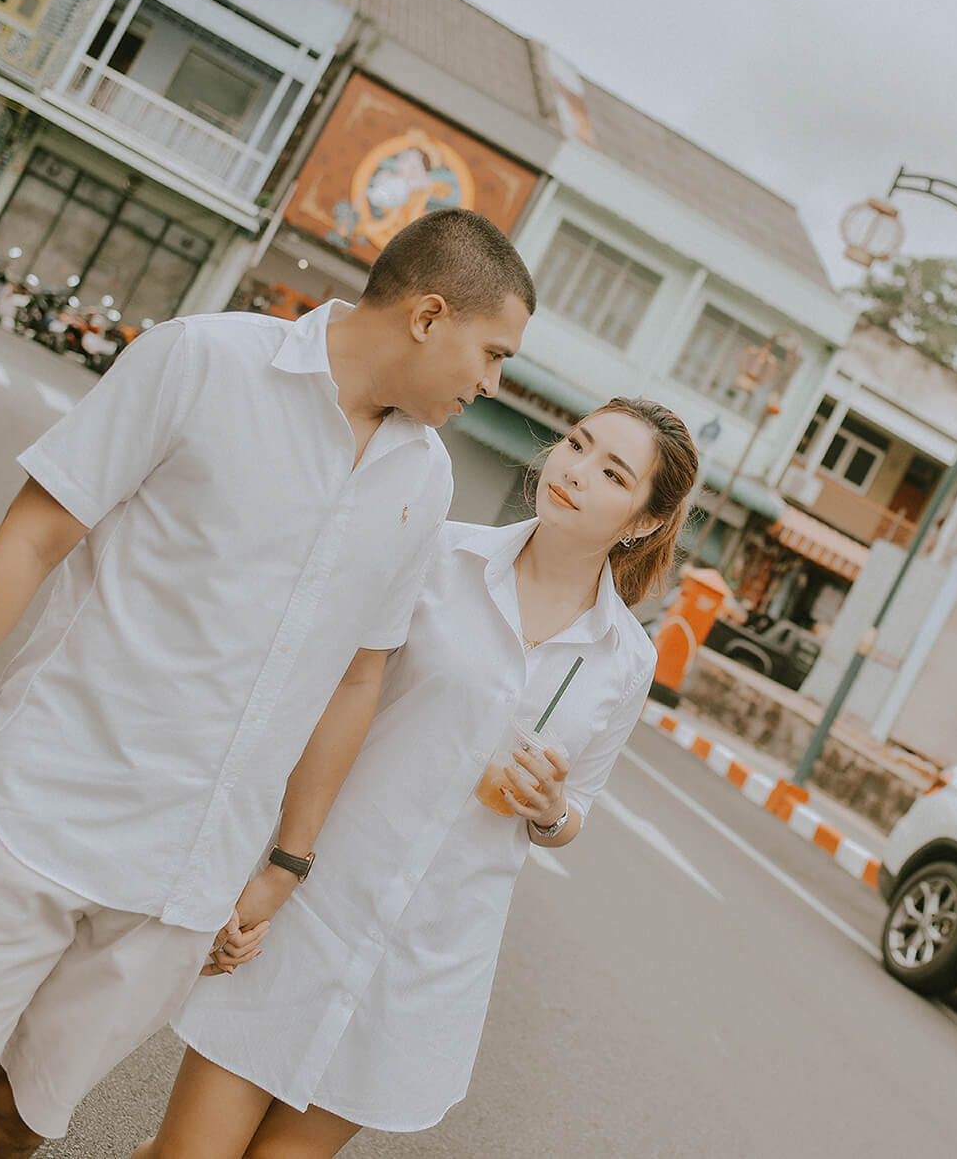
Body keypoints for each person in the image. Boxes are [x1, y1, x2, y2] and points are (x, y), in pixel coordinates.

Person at [0, 208, 535, 1159]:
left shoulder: (422, 480)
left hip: (183, 882)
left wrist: (285, 865)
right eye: (494, 353)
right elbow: (29, 541)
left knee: (5, 1133)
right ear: (430, 316)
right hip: (34, 818)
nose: (493, 384)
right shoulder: (203, 361)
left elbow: (358, 674)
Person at [141, 396, 699, 1157]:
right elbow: (322, 702)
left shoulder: (624, 662)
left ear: (641, 521)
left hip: (422, 965)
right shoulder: (440, 558)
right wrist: (269, 861)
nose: (574, 470)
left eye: (612, 472)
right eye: (577, 443)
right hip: (309, 907)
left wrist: (550, 809)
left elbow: (576, 816)